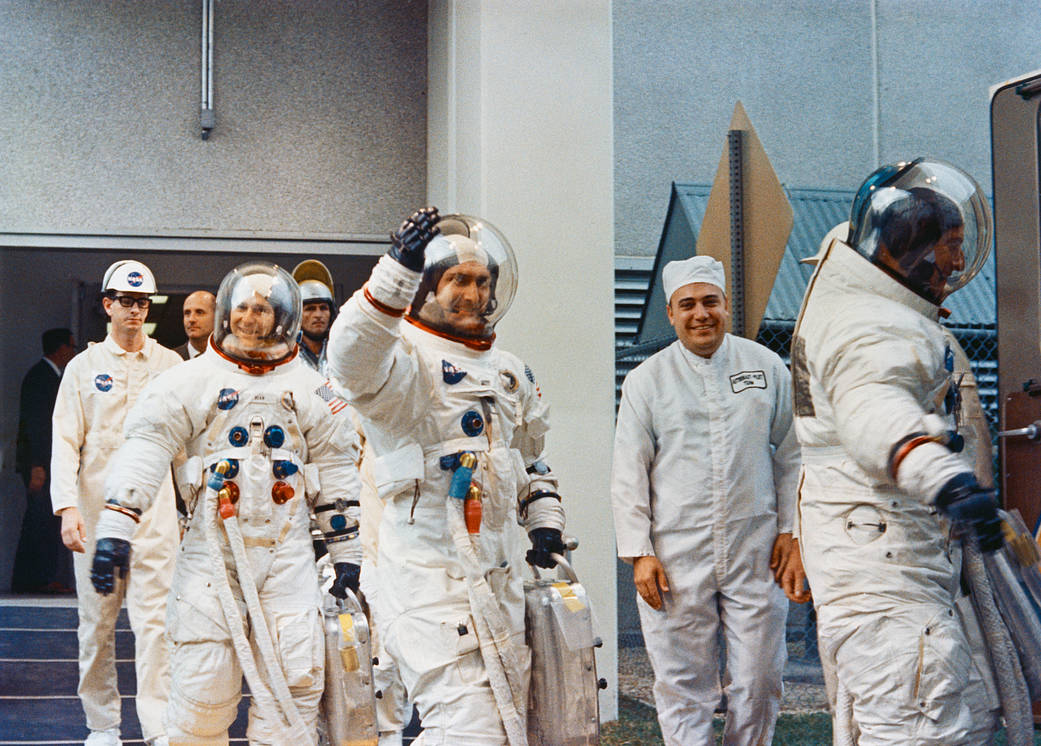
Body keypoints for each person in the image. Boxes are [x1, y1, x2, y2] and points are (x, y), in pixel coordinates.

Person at [88, 261, 363, 745]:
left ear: (281, 318)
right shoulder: (190, 381)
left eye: (261, 309)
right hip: (211, 551)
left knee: (291, 693)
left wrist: (348, 555)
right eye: (241, 308)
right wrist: (116, 528)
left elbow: (338, 471)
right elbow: (145, 450)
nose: (249, 318)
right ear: (226, 314)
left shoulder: (314, 389)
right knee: (202, 690)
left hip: (288, 555)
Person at [327, 208, 567, 745]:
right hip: (427, 581)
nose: (473, 292)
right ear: (429, 288)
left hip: (498, 581)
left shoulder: (509, 371)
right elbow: (351, 359)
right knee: (469, 730)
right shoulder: (404, 362)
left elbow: (526, 460)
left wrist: (544, 523)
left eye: (482, 281)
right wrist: (395, 271)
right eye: (457, 279)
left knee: (506, 729)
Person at [791, 158, 1002, 742]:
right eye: (949, 246)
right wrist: (947, 480)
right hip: (885, 582)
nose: (957, 263)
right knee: (922, 727)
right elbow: (875, 414)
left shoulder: (863, 302)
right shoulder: (870, 325)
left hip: (876, 564)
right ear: (905, 249)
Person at [610, 255, 803, 745]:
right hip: (675, 557)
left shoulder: (764, 367)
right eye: (688, 305)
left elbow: (794, 454)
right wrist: (639, 552)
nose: (701, 314)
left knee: (760, 679)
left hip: (756, 551)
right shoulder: (647, 382)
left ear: (725, 306)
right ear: (671, 314)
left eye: (710, 302)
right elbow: (628, 471)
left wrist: (792, 532)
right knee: (682, 685)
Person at [50, 260, 182, 746]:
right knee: (96, 628)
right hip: (96, 515)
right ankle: (102, 726)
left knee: (156, 627)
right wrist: (66, 509)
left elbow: (185, 449)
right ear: (107, 305)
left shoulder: (171, 366)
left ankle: (158, 726)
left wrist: (191, 510)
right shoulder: (83, 369)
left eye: (142, 303)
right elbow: (65, 441)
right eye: (125, 301)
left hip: (156, 520)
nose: (134, 311)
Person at [12, 327, 77, 593]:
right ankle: (36, 580)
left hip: (45, 462)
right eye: (71, 347)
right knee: (40, 521)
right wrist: (37, 465)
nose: (73, 352)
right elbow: (37, 426)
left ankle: (36, 578)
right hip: (40, 463)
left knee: (43, 522)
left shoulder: (49, 376)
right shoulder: (41, 377)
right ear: (61, 349)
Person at [292, 259, 336, 375]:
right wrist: (327, 393)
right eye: (310, 309)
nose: (318, 315)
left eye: (323, 308)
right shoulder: (286, 355)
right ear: (297, 314)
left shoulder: (341, 349)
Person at [175, 290, 216, 360]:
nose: (191, 319)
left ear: (216, 317)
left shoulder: (230, 359)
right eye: (187, 313)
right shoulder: (170, 359)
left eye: (199, 312)